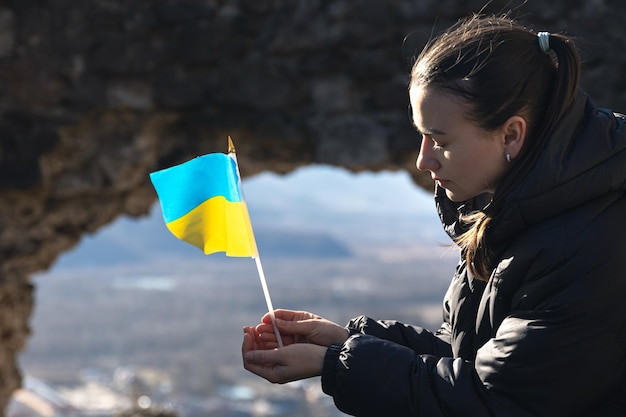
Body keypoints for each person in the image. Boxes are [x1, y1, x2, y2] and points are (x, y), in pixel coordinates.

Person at [242, 13, 626, 417]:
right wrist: (343, 341)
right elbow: (471, 356)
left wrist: (335, 364)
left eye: (440, 141)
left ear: (511, 135)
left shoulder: (587, 241)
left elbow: (498, 401)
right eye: (421, 135)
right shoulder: (514, 207)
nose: (424, 160)